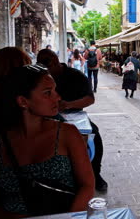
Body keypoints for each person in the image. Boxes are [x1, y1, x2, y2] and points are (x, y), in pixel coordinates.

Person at [0, 65, 94, 218]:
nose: (57, 97)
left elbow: (87, 185)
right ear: (23, 101)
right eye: (47, 93)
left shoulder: (67, 134)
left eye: (55, 90)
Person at [37, 49, 108, 192]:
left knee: (94, 135)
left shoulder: (76, 76)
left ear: (56, 61)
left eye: (48, 64)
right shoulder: (40, 78)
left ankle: (95, 173)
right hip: (47, 116)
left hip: (74, 115)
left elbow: (90, 99)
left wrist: (69, 104)